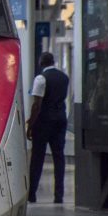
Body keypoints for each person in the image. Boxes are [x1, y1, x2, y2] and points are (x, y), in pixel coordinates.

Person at [26, 52, 69, 203]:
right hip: (61, 120)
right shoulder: (64, 78)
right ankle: (59, 196)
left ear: (41, 62)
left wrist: (31, 124)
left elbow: (37, 104)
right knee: (59, 157)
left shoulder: (41, 78)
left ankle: (32, 193)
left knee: (37, 157)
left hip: (44, 121)